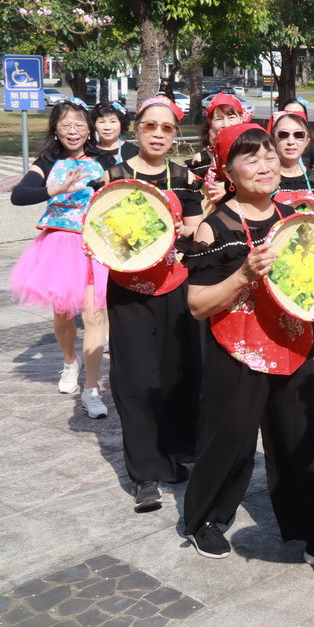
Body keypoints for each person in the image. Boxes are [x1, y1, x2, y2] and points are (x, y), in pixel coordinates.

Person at [183, 123, 314, 578]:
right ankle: (205, 520)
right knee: (228, 440)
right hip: (235, 348)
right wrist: (243, 276)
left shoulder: (296, 221)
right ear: (228, 171)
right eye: (250, 158)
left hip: (293, 345)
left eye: (270, 155)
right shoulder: (214, 227)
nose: (265, 165)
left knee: (301, 444)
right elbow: (197, 305)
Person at [94, 96, 204, 510]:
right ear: (136, 129)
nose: (158, 134)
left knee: (177, 374)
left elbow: (197, 233)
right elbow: (99, 230)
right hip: (129, 292)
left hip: (176, 287)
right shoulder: (114, 177)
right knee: (135, 379)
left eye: (167, 128)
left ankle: (173, 457)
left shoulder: (184, 178)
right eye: (150, 126)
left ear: (175, 135)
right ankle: (144, 474)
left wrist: (184, 232)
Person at [8, 100, 109, 416]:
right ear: (55, 130)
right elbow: (19, 195)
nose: (73, 131)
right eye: (65, 125)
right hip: (59, 246)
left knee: (94, 316)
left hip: (95, 244)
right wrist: (56, 189)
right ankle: (70, 362)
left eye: (79, 124)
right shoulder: (47, 162)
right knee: (63, 314)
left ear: (89, 128)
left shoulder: (105, 159)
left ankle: (91, 389)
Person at [189, 94, 252, 207]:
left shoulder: (252, 152)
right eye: (219, 119)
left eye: (231, 117)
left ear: (241, 118)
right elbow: (192, 196)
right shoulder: (202, 159)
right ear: (210, 122)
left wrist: (229, 189)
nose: (226, 124)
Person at [271, 111, 314, 217]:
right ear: (273, 139)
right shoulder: (265, 179)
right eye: (283, 134)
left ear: (307, 141)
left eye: (299, 135)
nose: (291, 141)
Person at [280, 100, 314, 175]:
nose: (290, 142)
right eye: (288, 114)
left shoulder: (311, 147)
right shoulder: (269, 145)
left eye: (298, 115)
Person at [92, 101, 137, 167]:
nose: (107, 127)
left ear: (121, 124)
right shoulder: (89, 152)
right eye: (102, 122)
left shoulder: (135, 153)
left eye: (113, 121)